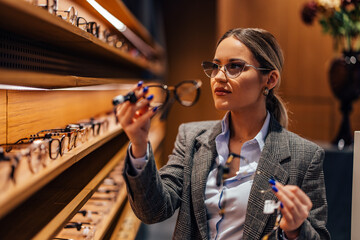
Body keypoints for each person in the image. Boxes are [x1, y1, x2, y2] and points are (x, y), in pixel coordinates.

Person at [117, 28, 330, 240]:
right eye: (216, 66)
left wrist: (294, 230)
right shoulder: (191, 137)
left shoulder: (305, 156)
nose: (219, 77)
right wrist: (138, 143)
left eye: (234, 66)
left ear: (270, 79)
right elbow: (154, 210)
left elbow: (318, 235)